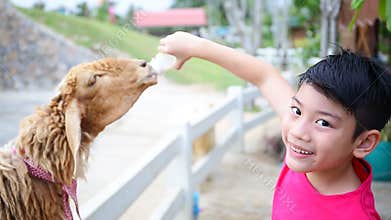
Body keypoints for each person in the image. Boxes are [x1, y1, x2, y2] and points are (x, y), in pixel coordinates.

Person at [158, 31, 391, 219]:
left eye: (323, 123)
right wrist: (196, 46)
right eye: (297, 110)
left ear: (363, 142)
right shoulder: (310, 151)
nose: (297, 132)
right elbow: (264, 75)